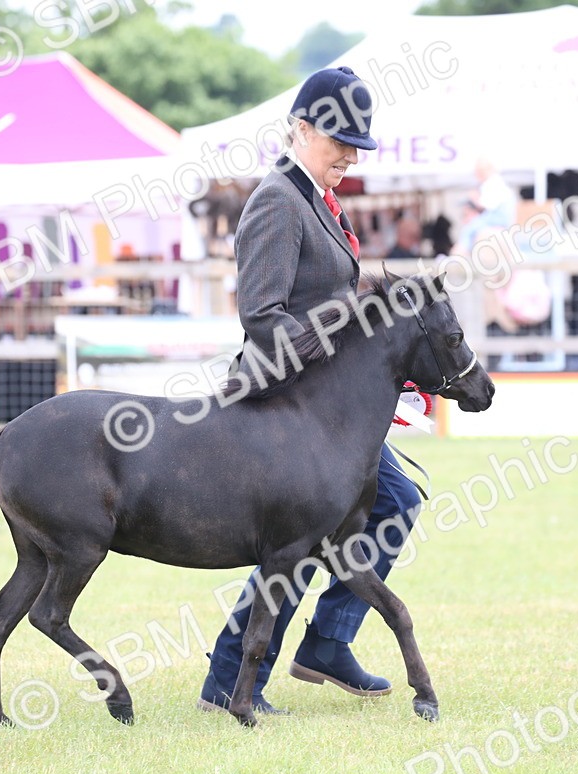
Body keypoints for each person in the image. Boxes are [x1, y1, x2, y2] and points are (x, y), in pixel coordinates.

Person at [198, 66, 423, 715]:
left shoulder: (318, 200)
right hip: (288, 404)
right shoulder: (276, 200)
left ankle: (326, 641)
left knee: (395, 502)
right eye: (339, 143)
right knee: (300, 540)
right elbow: (262, 319)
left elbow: (331, 304)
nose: (350, 157)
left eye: (358, 145)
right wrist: (348, 353)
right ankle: (229, 680)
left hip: (326, 411)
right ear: (301, 129)